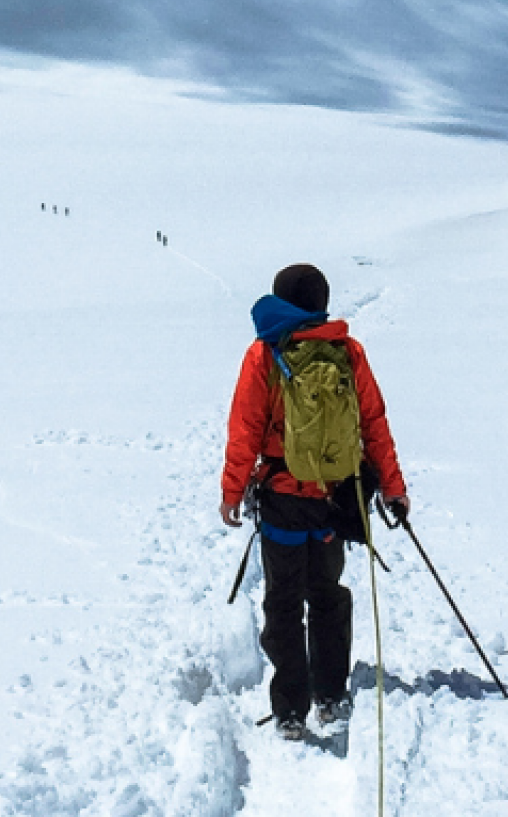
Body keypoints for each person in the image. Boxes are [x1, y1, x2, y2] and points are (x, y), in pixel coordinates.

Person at [220, 263, 409, 741]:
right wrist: (392, 487)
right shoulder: (346, 351)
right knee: (327, 594)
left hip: (282, 497)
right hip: (334, 498)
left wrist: (232, 490)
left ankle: (289, 709)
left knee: (283, 602)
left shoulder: (265, 353)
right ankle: (330, 695)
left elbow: (244, 429)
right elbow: (373, 423)